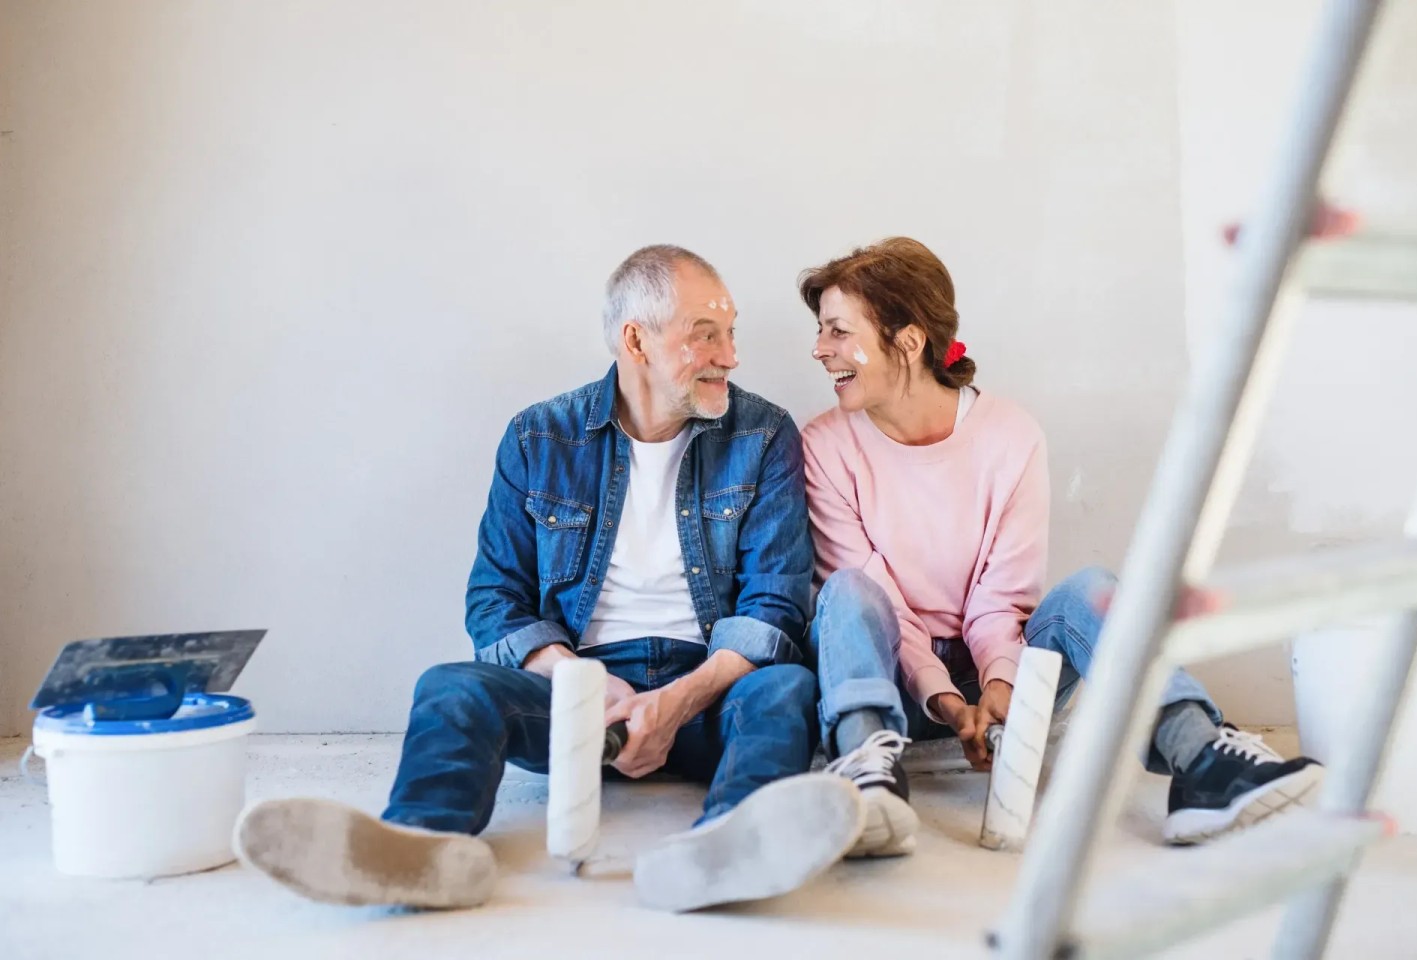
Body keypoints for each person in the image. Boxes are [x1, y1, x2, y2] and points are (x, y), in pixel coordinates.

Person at [233, 245, 864, 912]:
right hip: (576, 691)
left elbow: (775, 602)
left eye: (730, 333)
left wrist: (678, 700)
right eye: (706, 335)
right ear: (636, 340)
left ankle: (727, 851)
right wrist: (582, 687)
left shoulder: (762, 434)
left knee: (785, 690)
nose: (730, 355)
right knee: (450, 687)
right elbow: (494, 599)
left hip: (710, 687)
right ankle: (422, 848)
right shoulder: (540, 438)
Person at [801, 237, 1322, 856]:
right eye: (822, 331)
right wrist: (940, 697)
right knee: (847, 592)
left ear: (908, 341)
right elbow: (874, 594)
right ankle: (867, 777)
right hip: (889, 678)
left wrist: (997, 682)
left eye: (837, 330)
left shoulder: (1009, 435)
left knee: (1093, 591)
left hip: (1003, 671)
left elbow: (1003, 594)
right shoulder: (825, 445)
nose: (820, 349)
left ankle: (1203, 761)